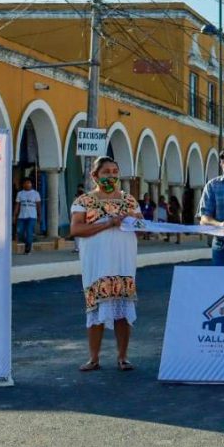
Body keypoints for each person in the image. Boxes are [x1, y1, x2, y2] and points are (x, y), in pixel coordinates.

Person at [69, 157, 142, 372]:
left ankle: (123, 357)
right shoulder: (83, 201)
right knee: (95, 307)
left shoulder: (129, 200)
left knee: (122, 306)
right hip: (96, 262)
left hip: (123, 261)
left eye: (114, 171)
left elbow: (141, 227)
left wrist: (129, 218)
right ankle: (94, 358)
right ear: (95, 176)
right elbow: (77, 230)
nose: (111, 176)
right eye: (106, 172)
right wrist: (108, 223)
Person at [14, 177, 42, 255]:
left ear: (31, 184)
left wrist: (39, 216)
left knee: (29, 232)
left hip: (32, 216)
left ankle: (28, 248)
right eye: (25, 183)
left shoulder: (36, 193)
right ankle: (28, 242)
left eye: (29, 183)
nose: (27, 184)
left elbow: (38, 205)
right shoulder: (20, 193)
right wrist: (14, 215)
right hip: (21, 216)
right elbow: (17, 205)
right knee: (20, 232)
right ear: (23, 184)